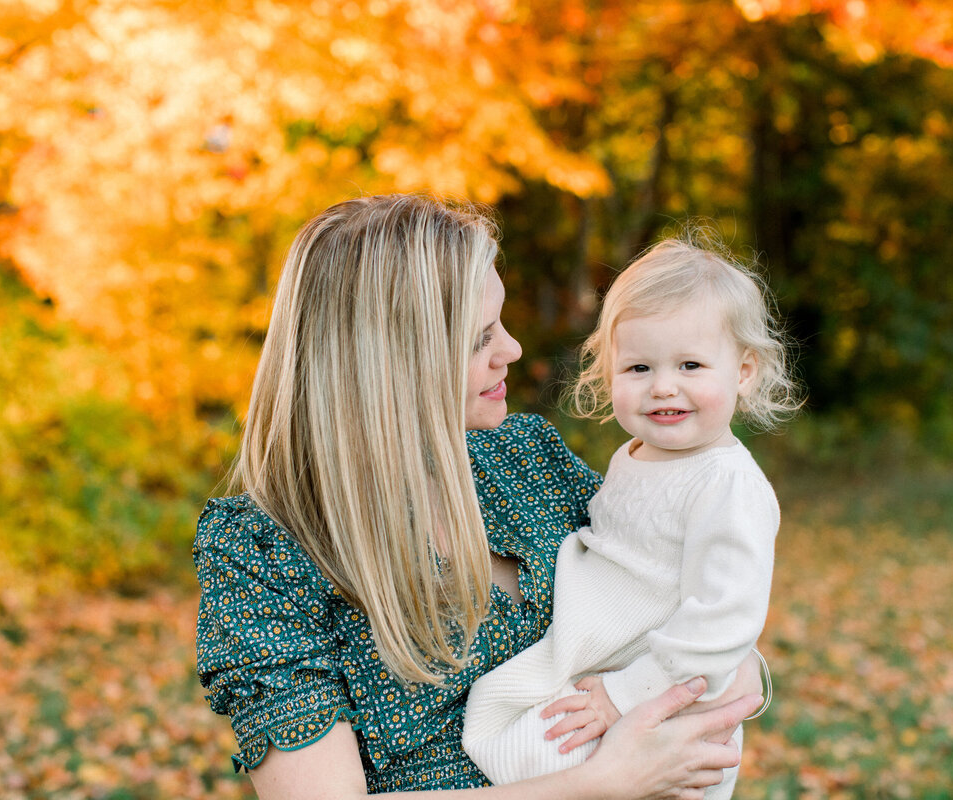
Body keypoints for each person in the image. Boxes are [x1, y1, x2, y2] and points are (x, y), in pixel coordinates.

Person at [193, 195, 764, 799]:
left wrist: (711, 680)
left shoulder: (523, 458)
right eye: (479, 339)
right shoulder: (265, 550)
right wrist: (606, 782)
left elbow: (688, 604)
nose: (512, 350)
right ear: (393, 364)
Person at [461, 233, 799, 798]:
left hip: (657, 691)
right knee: (500, 721)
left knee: (538, 747)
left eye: (690, 365)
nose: (663, 387)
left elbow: (723, 622)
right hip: (605, 655)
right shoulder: (636, 457)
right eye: (639, 367)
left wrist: (628, 694)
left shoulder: (729, 485)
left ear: (743, 372)